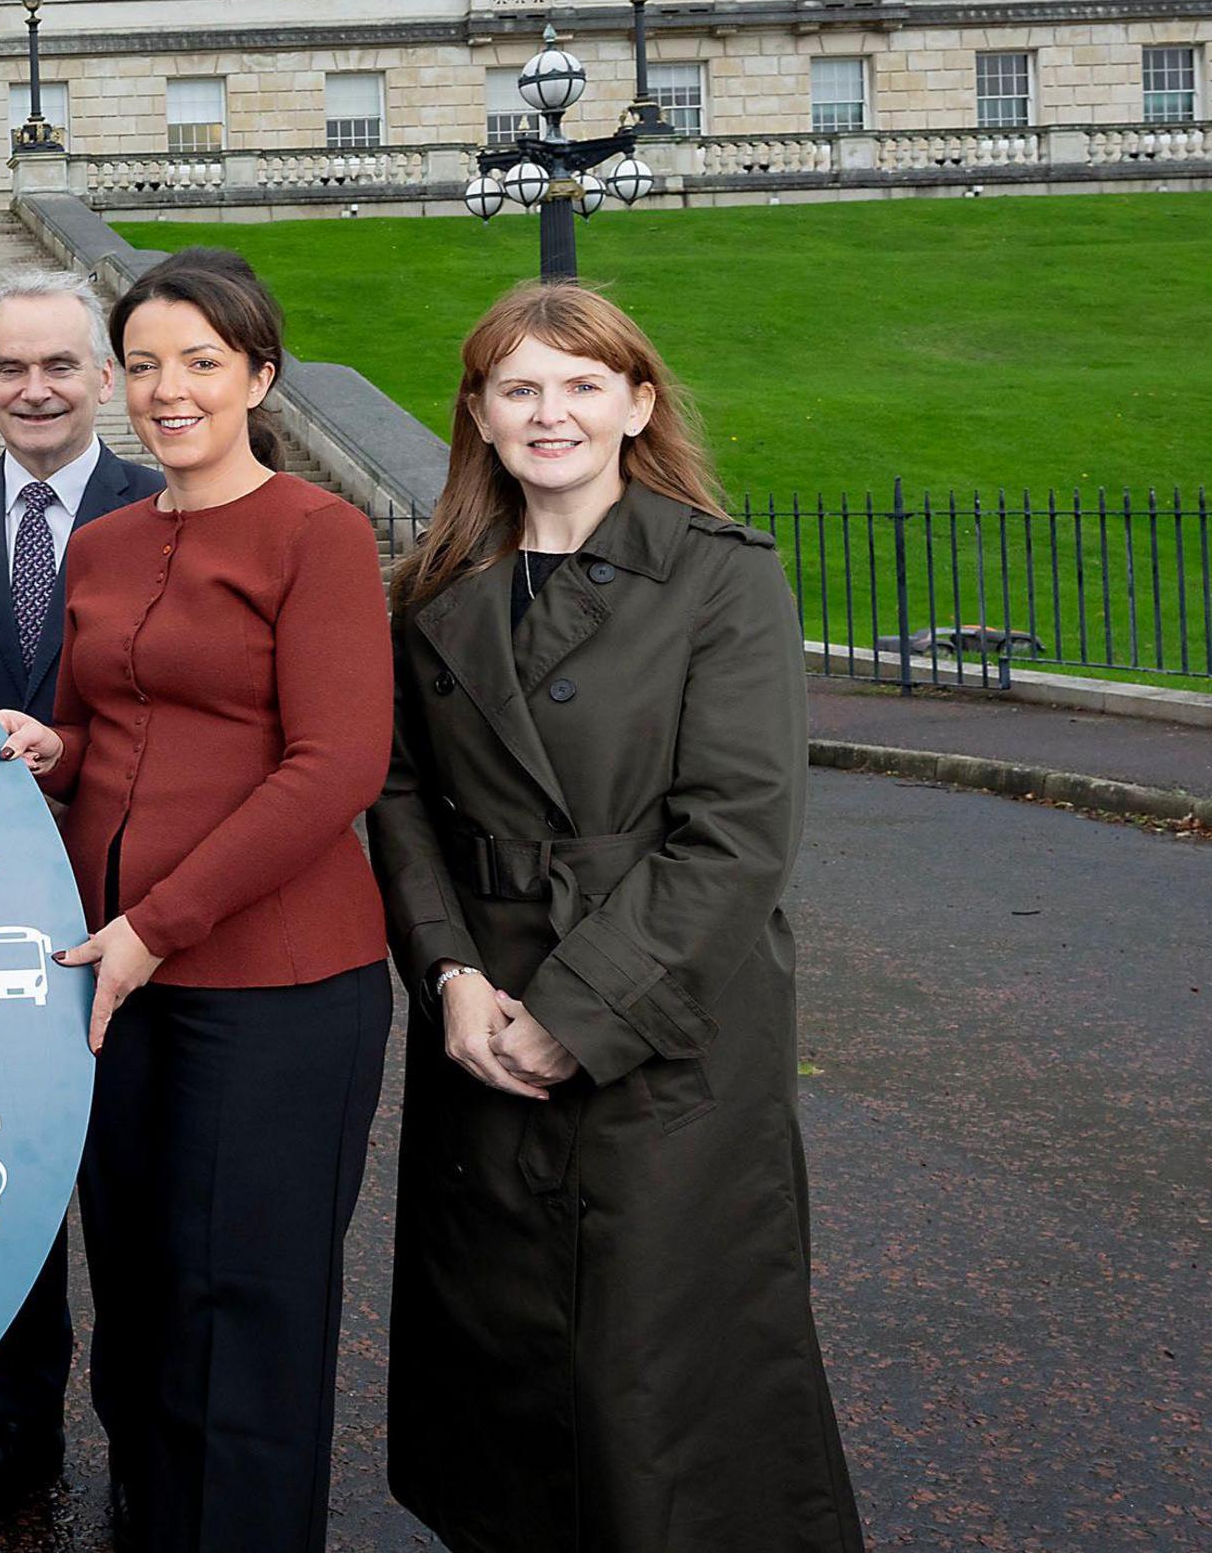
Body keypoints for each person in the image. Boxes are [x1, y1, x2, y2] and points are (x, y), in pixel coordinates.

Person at [365, 281, 864, 1553]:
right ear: (478, 413)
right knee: (506, 1363)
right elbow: (401, 797)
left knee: (662, 1370)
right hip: (483, 1017)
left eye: (584, 384)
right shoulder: (433, 588)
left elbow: (739, 832)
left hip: (664, 1027)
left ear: (638, 404)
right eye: (521, 387)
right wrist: (451, 981)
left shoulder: (721, 577)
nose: (553, 413)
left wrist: (576, 1018)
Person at [0, 249, 391, 1553]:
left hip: (271, 988)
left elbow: (336, 765)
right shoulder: (107, 544)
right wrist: (42, 754)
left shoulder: (316, 533)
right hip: (115, 986)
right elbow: (82, 731)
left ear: (258, 376)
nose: (171, 391)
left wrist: (156, 924)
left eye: (202, 364)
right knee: (148, 1301)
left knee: (245, 1315)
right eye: (149, 365)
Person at [0, 267, 163, 1523]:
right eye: (10, 367)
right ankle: (17, 1433)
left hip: (130, 896)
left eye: (60, 365)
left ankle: (143, 1443)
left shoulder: (165, 505)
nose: (35, 388)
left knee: (135, 1192)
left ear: (104, 379)